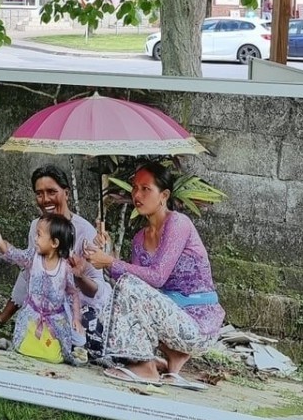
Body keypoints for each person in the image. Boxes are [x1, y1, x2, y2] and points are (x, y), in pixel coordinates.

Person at [83, 162, 224, 387]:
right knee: (109, 306)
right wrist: (106, 251)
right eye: (134, 188)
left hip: (197, 325)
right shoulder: (140, 238)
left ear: (164, 195)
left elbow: (157, 277)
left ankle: (145, 367)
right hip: (170, 323)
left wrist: (110, 261)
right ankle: (172, 357)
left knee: (129, 286)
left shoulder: (178, 223)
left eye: (145, 189)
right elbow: (134, 291)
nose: (137, 195)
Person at [0, 166, 108, 353]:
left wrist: (80, 277)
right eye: (39, 194)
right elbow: (28, 270)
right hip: (45, 308)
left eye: (51, 192)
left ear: (66, 193)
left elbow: (95, 291)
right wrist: (4, 316)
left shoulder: (85, 232)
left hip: (81, 307)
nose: (45, 199)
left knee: (83, 343)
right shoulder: (37, 226)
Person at [11, 213, 81, 364]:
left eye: (39, 235)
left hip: (54, 319)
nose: (35, 238)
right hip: (32, 314)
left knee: (53, 354)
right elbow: (16, 255)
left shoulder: (65, 269)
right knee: (23, 346)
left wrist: (76, 318)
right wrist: (1, 244)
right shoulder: (33, 257)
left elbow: (73, 294)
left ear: (54, 243)